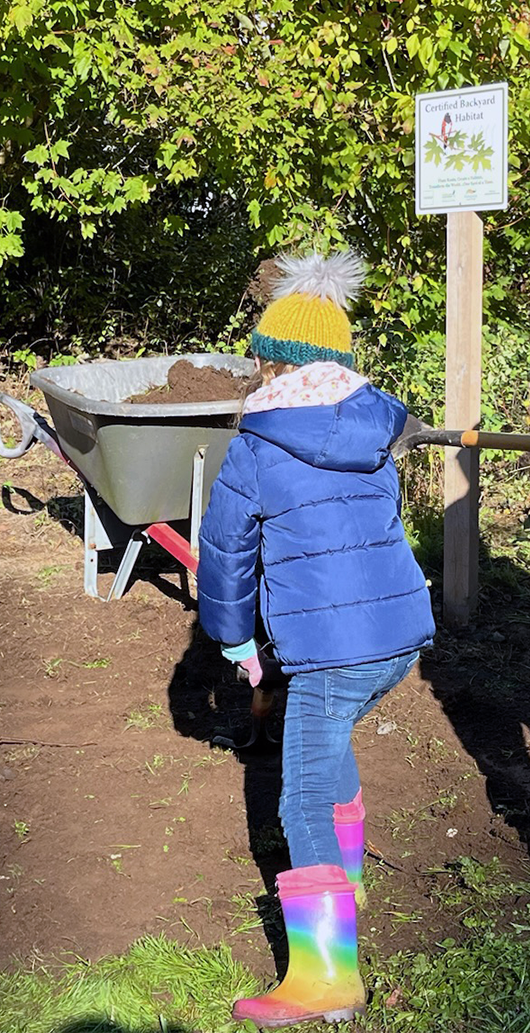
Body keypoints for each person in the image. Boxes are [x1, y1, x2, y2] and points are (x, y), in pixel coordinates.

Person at [196, 250, 435, 1027]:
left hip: (331, 650)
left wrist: (234, 640)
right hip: (396, 637)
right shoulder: (374, 427)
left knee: (297, 795)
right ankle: (348, 877)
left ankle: (327, 979)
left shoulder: (258, 445)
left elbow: (225, 550)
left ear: (271, 364)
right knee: (327, 744)